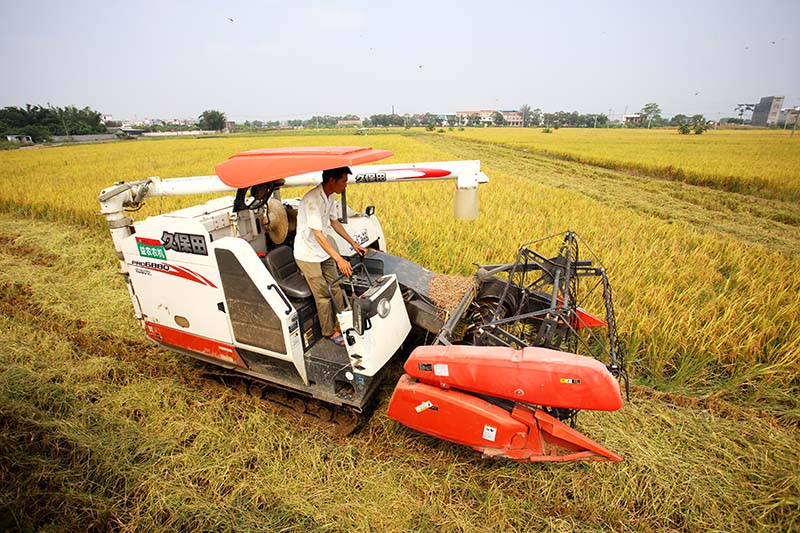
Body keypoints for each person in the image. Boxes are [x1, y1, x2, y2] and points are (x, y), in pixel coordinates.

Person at [294, 166, 367, 347]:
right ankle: (329, 332)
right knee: (323, 296)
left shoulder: (329, 196)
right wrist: (339, 259)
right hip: (308, 254)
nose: (346, 186)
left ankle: (344, 323)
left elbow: (334, 223)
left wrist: (353, 243)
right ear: (332, 181)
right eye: (343, 181)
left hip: (323, 250)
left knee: (336, 285)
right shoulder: (312, 200)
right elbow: (318, 234)